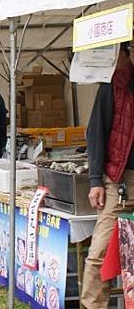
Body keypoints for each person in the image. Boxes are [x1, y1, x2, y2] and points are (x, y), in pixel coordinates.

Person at [81, 41, 134, 308]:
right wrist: (95, 180)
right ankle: (93, 305)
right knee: (100, 251)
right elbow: (96, 134)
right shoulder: (113, 85)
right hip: (121, 182)